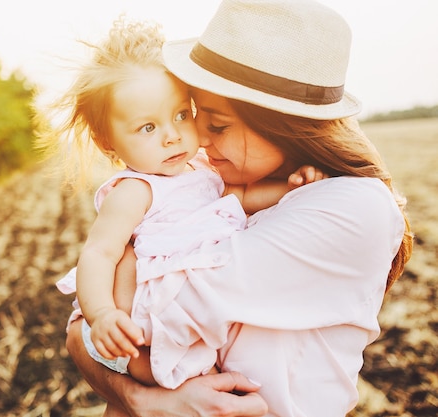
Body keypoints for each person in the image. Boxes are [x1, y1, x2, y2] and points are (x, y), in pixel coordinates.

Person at [64, 0, 414, 416]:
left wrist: (119, 276)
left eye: (214, 124)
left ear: (280, 123)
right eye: (198, 117)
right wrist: (140, 399)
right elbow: (83, 329)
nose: (197, 141)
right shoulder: (199, 180)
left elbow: (142, 322)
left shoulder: (354, 206)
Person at [44, 17, 323, 390]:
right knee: (149, 370)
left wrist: (293, 188)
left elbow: (238, 199)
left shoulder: (203, 170)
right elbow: (99, 253)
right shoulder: (135, 190)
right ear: (106, 142)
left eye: (180, 115)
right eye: (148, 127)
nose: (172, 136)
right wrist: (104, 314)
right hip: (151, 310)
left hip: (199, 306)